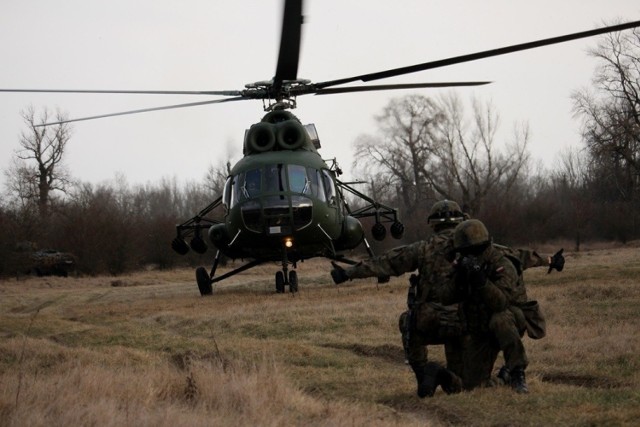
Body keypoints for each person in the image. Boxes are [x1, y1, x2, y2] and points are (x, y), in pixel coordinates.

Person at [331, 200, 564, 397]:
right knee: (473, 384)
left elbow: (387, 262)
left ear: (432, 223)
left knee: (409, 320)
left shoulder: (422, 249)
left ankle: (425, 374)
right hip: (473, 325)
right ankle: (506, 373)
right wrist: (551, 259)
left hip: (437, 323)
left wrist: (347, 273)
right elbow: (519, 256)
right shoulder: (479, 244)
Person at [439, 219, 540, 393]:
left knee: (500, 320)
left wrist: (481, 280)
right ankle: (504, 377)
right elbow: (445, 297)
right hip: (480, 328)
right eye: (464, 252)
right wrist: (460, 279)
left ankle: (517, 371)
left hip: (509, 320)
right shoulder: (463, 264)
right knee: (472, 385)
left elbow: (500, 303)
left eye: (473, 251)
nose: (469, 255)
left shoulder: (502, 263)